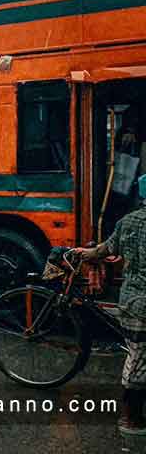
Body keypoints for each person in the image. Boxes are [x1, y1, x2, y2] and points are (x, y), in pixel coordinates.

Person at [73, 173, 146, 436]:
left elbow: (102, 251)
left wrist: (82, 253)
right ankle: (130, 419)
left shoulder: (127, 222)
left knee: (137, 355)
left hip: (132, 302)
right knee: (139, 357)